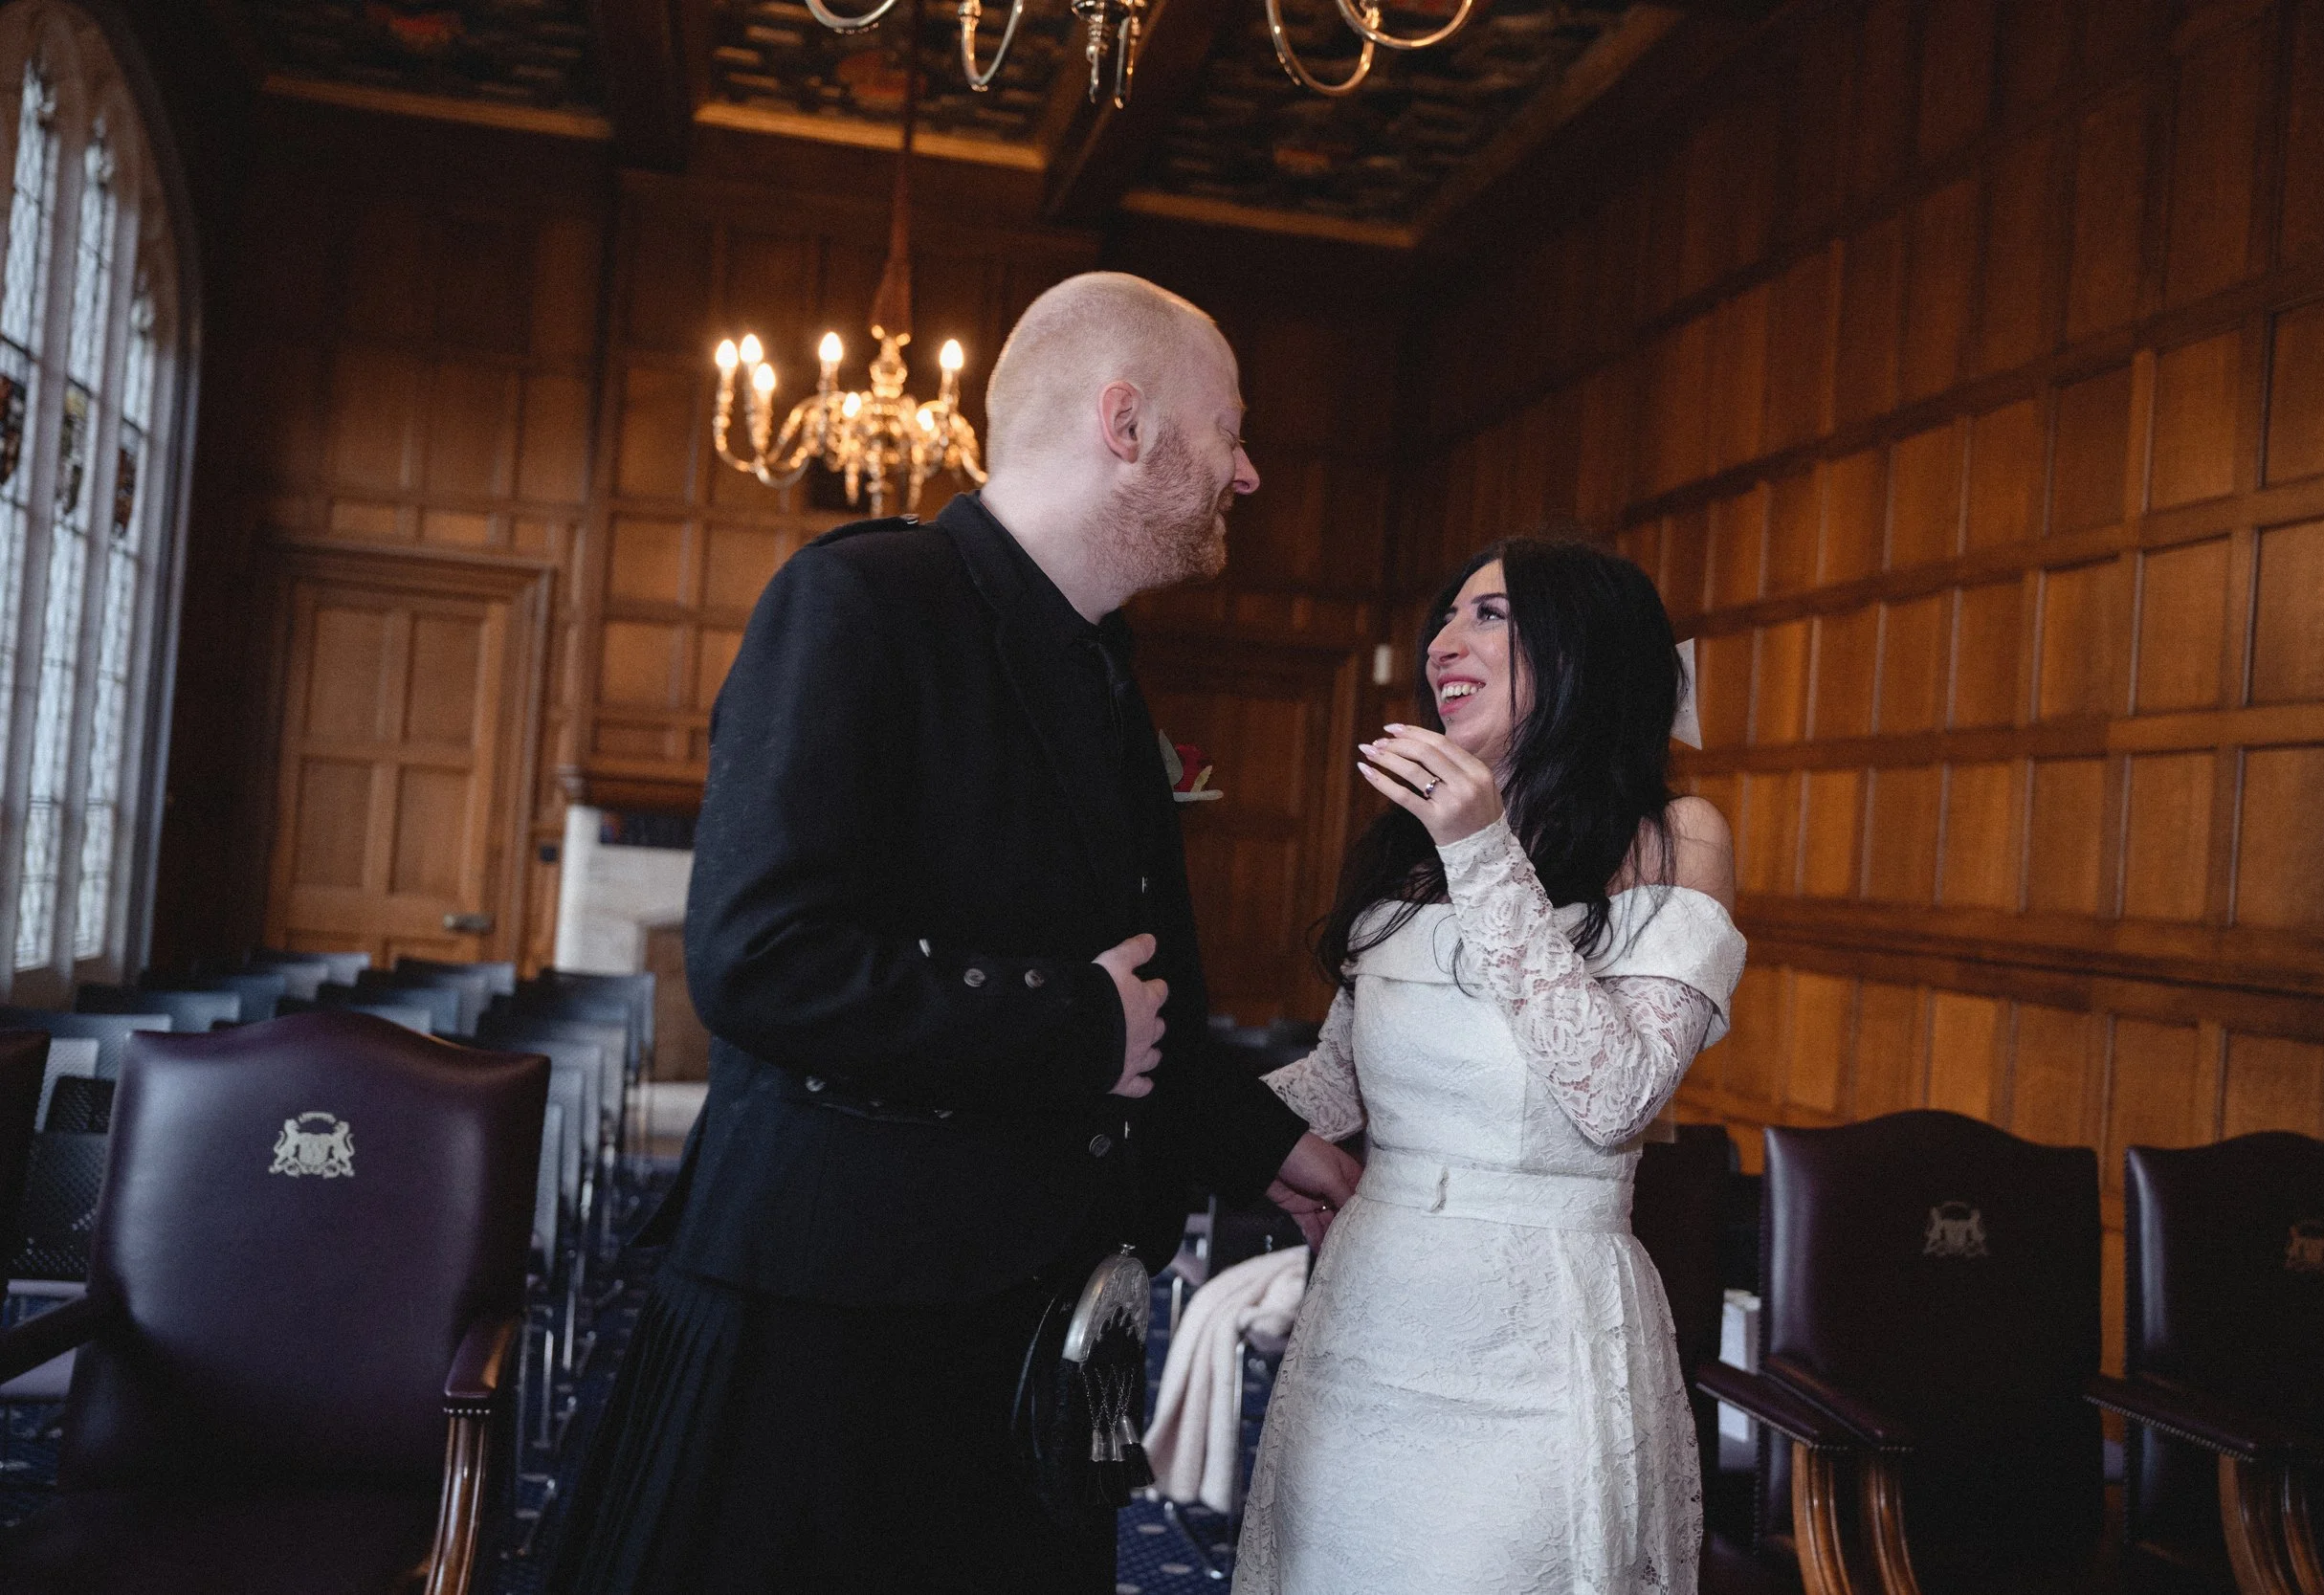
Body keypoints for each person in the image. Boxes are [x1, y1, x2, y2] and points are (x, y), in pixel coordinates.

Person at [549, 272, 1362, 1595]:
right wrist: (1068, 1019)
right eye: (1229, 429)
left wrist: (1268, 1143)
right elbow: (760, 954)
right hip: (833, 1322)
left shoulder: (1105, 660)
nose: (1250, 470)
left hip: (1025, 1321)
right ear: (1126, 422)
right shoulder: (864, 599)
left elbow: (1142, 998)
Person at [1235, 539, 1743, 1594]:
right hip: (1371, 1309)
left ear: (1582, 655)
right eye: (1445, 614)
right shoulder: (1405, 850)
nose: (1441, 643)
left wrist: (1481, 849)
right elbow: (1335, 1085)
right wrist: (1146, 1101)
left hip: (1540, 1331)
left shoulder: (1675, 836)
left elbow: (1614, 1097)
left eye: (1490, 615)